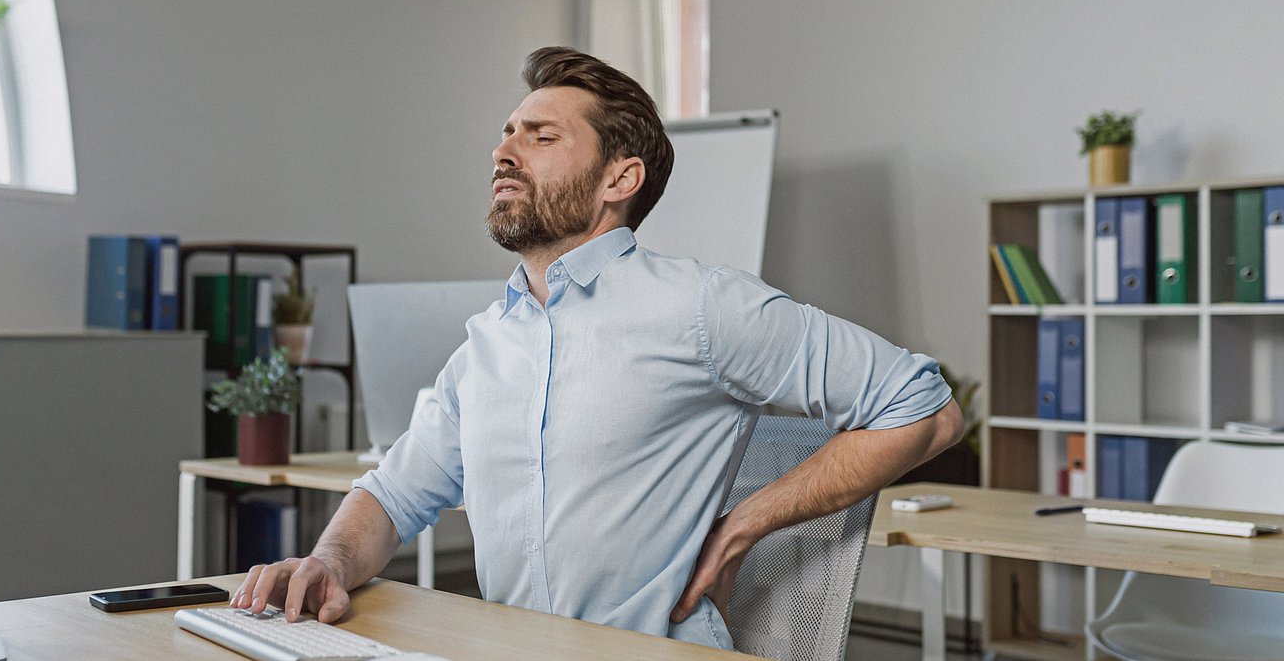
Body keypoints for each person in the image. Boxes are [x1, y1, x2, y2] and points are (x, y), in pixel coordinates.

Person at [232, 46, 964, 650]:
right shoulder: (487, 343)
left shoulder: (702, 305)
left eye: (540, 136)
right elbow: (392, 495)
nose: (503, 151)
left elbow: (925, 408)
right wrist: (328, 560)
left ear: (621, 177)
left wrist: (746, 520)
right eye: (507, 132)